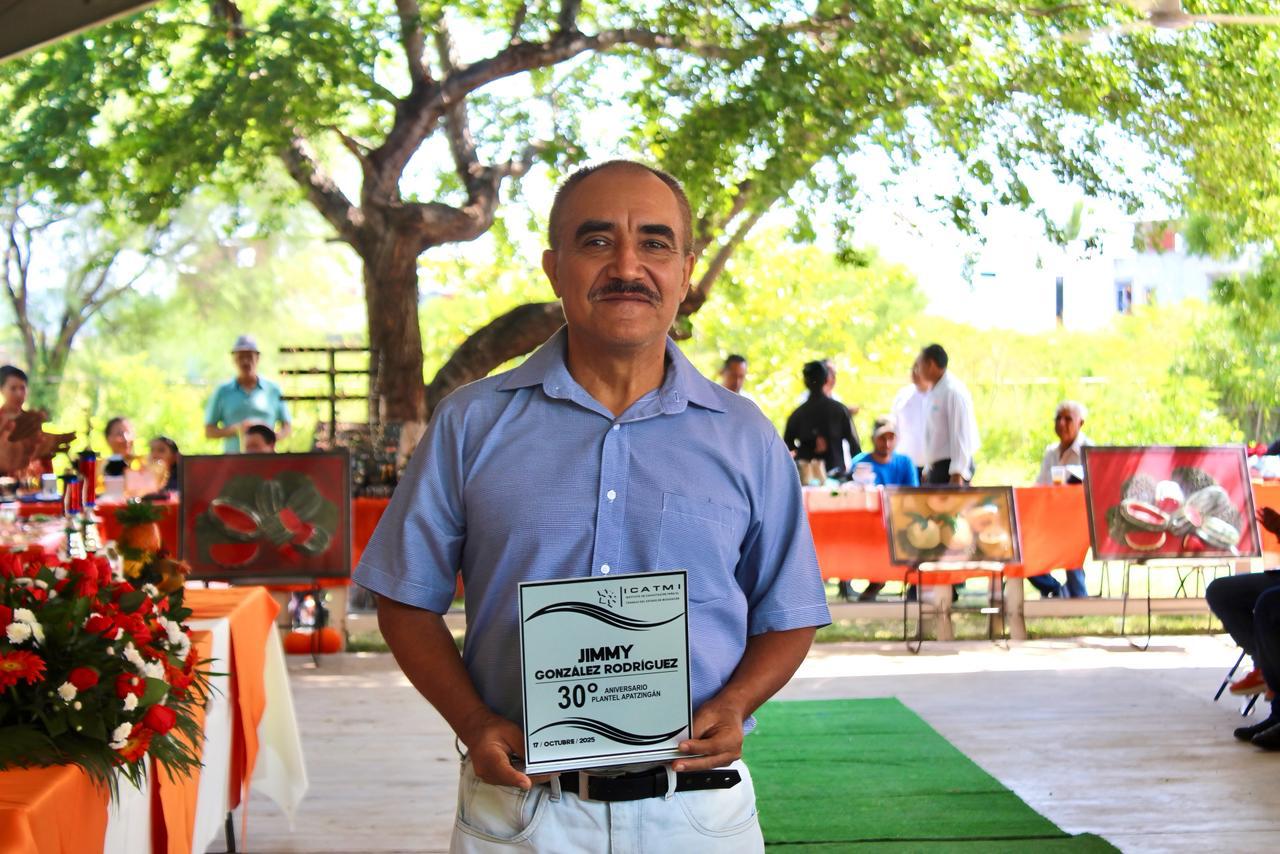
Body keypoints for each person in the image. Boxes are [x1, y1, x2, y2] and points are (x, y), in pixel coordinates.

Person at [354, 159, 830, 853]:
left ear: (686, 272)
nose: (627, 266)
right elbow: (404, 597)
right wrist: (473, 721)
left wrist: (735, 704)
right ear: (554, 268)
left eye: (655, 243)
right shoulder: (470, 425)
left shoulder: (746, 435)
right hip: (522, 814)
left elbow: (790, 611)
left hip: (697, 816)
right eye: (597, 240)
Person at [849, 416, 919, 601]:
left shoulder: (905, 462)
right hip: (867, 521)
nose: (887, 443)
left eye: (891, 437)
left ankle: (903, 584)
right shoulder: (860, 463)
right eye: (882, 438)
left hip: (900, 520)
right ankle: (876, 579)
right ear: (873, 438)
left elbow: (912, 495)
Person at [1029, 401, 1092, 599]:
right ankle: (1055, 589)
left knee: (1071, 543)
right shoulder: (1051, 452)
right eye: (1058, 418)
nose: (1062, 423)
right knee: (1023, 545)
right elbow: (1040, 486)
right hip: (1050, 518)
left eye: (1068, 419)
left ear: (1080, 423)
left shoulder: (1089, 451)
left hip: (1079, 521)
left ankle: (1077, 596)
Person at [205, 335, 292, 453]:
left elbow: (287, 427)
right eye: (241, 357)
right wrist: (236, 429)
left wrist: (268, 438)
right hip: (233, 459)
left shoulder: (273, 389)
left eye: (250, 356)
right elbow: (209, 431)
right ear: (234, 359)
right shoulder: (222, 391)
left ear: (257, 358)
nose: (245, 361)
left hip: (266, 459)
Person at [785, 360, 860, 478]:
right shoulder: (839, 410)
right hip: (835, 475)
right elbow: (854, 447)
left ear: (805, 382)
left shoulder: (798, 414)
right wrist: (855, 474)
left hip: (807, 476)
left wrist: (804, 450)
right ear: (826, 380)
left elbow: (787, 445)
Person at [918, 344, 979, 485]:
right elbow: (933, 435)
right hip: (937, 467)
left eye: (920, 365)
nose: (918, 370)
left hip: (951, 468)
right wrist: (928, 467)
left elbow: (960, 433)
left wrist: (957, 472)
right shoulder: (934, 392)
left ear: (930, 364)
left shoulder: (953, 391)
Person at [891, 361, 931, 477]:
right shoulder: (903, 395)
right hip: (906, 463)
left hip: (930, 465)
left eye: (919, 369)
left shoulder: (936, 395)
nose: (915, 373)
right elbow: (894, 427)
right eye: (913, 369)